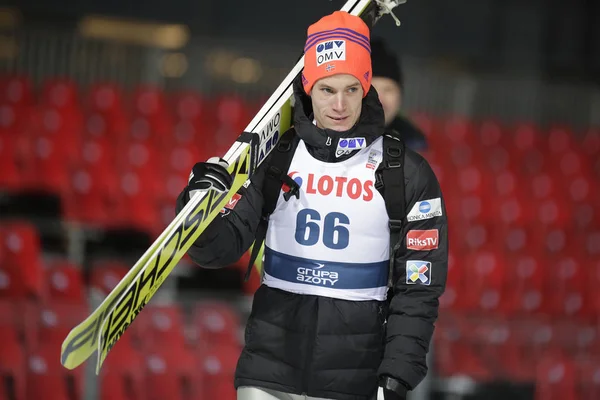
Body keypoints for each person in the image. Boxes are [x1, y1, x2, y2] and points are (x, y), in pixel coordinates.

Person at [176, 11, 448, 400]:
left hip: (353, 381)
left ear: (366, 86)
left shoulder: (405, 171)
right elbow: (217, 251)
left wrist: (396, 378)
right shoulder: (276, 157)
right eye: (326, 90)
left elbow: (418, 289)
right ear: (307, 87)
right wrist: (198, 207)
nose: (339, 104)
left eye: (351, 89)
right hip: (268, 372)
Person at [369, 37, 428, 152]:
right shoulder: (332, 138)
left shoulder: (414, 143)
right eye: (372, 89)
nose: (380, 99)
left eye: (388, 90)